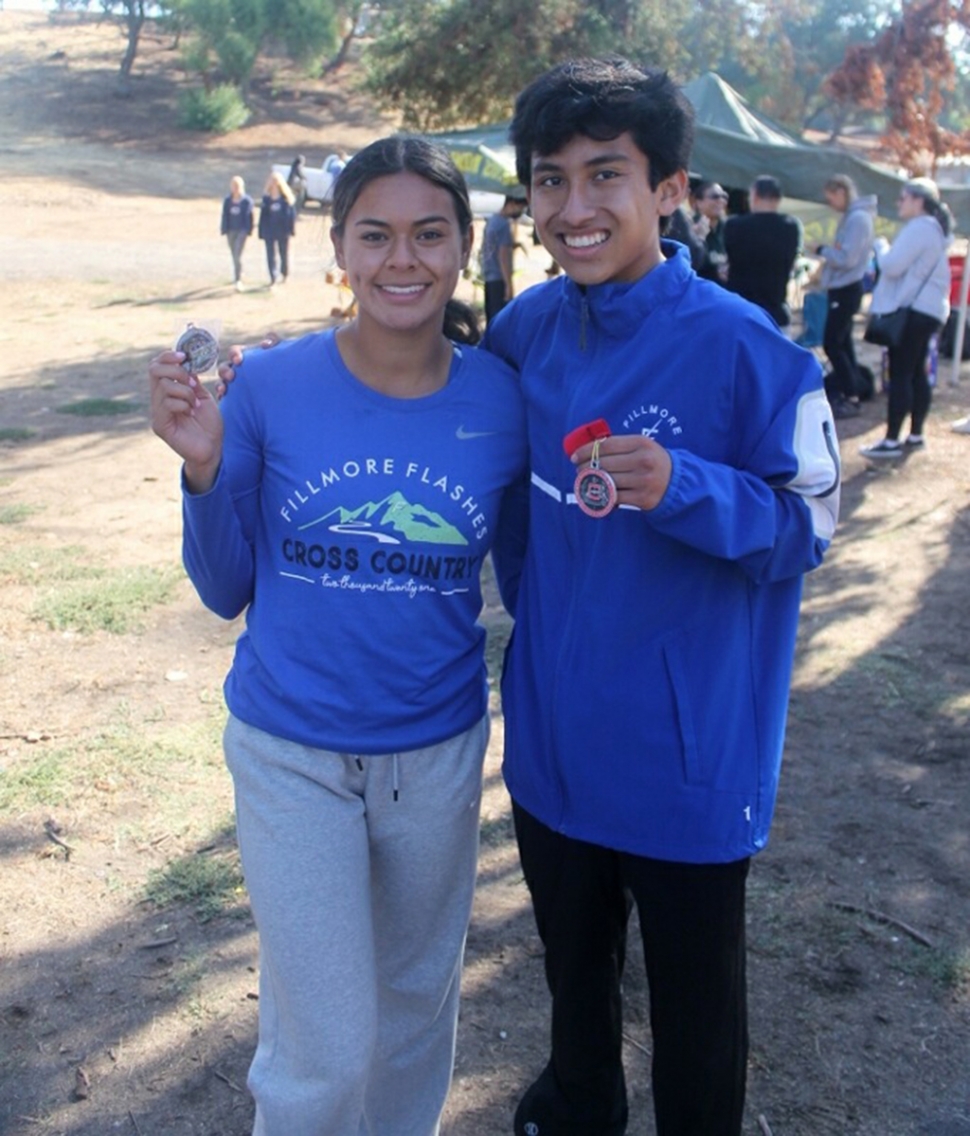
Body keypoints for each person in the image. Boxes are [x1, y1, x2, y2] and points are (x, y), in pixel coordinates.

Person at [483, 58, 839, 1136]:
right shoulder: (525, 331)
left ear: (671, 187)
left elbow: (809, 525)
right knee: (569, 970)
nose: (574, 209)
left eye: (606, 176)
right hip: (552, 740)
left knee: (696, 1010)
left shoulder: (752, 353)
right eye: (551, 181)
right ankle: (578, 1101)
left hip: (686, 759)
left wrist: (688, 486)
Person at [148, 136, 528, 1136]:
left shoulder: (501, 398)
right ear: (339, 247)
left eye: (427, 234)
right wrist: (201, 467)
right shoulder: (270, 386)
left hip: (436, 755)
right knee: (321, 1036)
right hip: (291, 752)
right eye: (376, 234)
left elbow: (536, 576)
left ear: (462, 248)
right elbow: (224, 585)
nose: (401, 259)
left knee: (412, 1013)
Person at [859, 177, 952, 461]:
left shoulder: (920, 227)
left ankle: (891, 440)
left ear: (917, 200)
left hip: (913, 311)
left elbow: (892, 266)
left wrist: (880, 247)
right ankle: (915, 433)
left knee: (900, 373)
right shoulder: (936, 230)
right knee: (916, 373)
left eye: (903, 198)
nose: (898, 203)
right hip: (930, 310)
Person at [815, 174, 877, 419]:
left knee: (832, 342)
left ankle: (851, 394)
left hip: (847, 287)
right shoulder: (853, 218)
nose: (831, 204)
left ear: (841, 191)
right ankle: (853, 389)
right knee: (843, 342)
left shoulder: (858, 219)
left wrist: (823, 251)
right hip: (842, 287)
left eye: (831, 198)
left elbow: (846, 258)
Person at [723, 174, 802, 327]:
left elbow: (729, 257)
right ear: (778, 199)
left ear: (754, 196)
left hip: (740, 309)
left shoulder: (734, 225)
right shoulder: (791, 227)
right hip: (774, 311)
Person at [480, 191, 529, 322]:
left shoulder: (492, 221)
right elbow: (503, 256)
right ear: (512, 204)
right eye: (521, 207)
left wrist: (514, 245)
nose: (521, 211)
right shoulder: (503, 225)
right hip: (499, 279)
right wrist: (509, 284)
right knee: (501, 321)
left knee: (491, 317)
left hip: (488, 276)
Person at [257, 171, 297, 287]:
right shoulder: (266, 200)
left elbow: (291, 216)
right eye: (272, 181)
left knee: (283, 253)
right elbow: (262, 217)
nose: (274, 184)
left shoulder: (285, 200)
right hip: (269, 231)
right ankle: (273, 276)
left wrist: (291, 230)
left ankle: (284, 273)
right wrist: (261, 231)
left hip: (282, 231)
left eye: (276, 181)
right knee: (270, 254)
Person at [691, 178, 729, 282]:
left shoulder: (728, 228)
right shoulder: (689, 228)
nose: (721, 201)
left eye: (724, 196)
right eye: (715, 196)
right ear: (699, 203)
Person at [220, 175, 254, 292]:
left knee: (237, 253)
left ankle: (238, 279)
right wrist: (223, 229)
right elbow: (225, 215)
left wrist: (249, 230)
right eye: (233, 185)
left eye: (237, 186)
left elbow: (250, 217)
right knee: (233, 253)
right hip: (230, 230)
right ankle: (239, 271)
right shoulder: (228, 201)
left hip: (242, 230)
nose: (235, 188)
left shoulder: (247, 201)